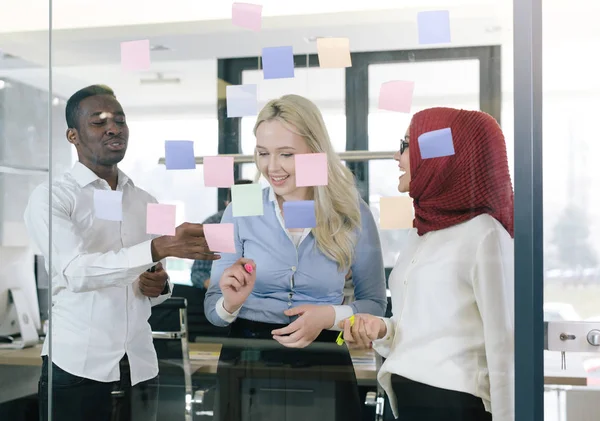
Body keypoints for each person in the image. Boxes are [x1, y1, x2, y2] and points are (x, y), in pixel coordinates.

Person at [24, 85, 219, 421]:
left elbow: (155, 285)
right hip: (77, 367)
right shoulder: (51, 198)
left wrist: (159, 285)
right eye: (98, 123)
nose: (113, 128)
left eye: (119, 120)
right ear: (74, 136)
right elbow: (75, 272)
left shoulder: (147, 201)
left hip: (140, 366)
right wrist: (157, 246)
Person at [204, 94, 387, 421]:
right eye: (263, 154)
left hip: (324, 357)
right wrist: (229, 303)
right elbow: (213, 309)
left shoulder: (352, 213)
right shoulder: (241, 206)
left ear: (316, 153)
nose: (272, 167)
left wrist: (328, 316)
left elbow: (374, 303)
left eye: (286, 154)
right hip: (248, 358)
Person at [340, 107, 515, 421]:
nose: (397, 155)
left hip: (456, 407)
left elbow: (506, 351)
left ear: (441, 158)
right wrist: (382, 329)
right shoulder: (423, 231)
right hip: (410, 399)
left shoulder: (485, 235)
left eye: (407, 145)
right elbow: (421, 325)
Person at [190, 179, 253, 290]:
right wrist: (218, 287)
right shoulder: (214, 224)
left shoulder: (268, 225)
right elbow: (198, 273)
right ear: (227, 204)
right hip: (221, 293)